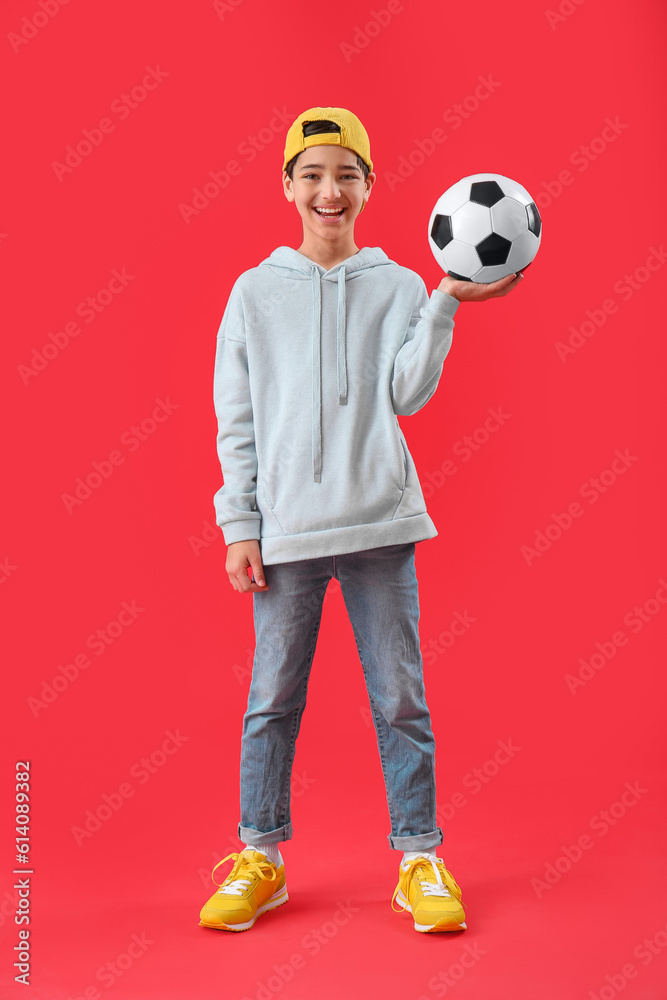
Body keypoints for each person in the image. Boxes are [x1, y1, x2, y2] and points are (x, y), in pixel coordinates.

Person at [199, 106, 523, 935]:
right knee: (271, 698)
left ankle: (418, 856)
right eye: (311, 174)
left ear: (369, 186)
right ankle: (259, 858)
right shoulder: (252, 292)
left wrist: (445, 298)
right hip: (287, 533)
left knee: (401, 700)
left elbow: (407, 395)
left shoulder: (399, 283)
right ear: (286, 186)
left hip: (380, 523)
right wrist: (240, 522)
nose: (328, 190)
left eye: (345, 174)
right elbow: (235, 419)